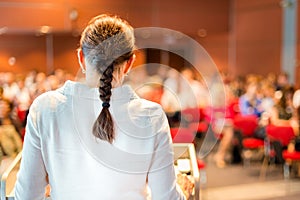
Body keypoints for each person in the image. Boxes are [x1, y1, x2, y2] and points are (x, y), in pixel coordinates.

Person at [15, 14, 185, 200]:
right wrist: (183, 190)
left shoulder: (44, 108)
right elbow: (166, 197)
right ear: (129, 63)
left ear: (81, 57)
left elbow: (26, 195)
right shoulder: (151, 116)